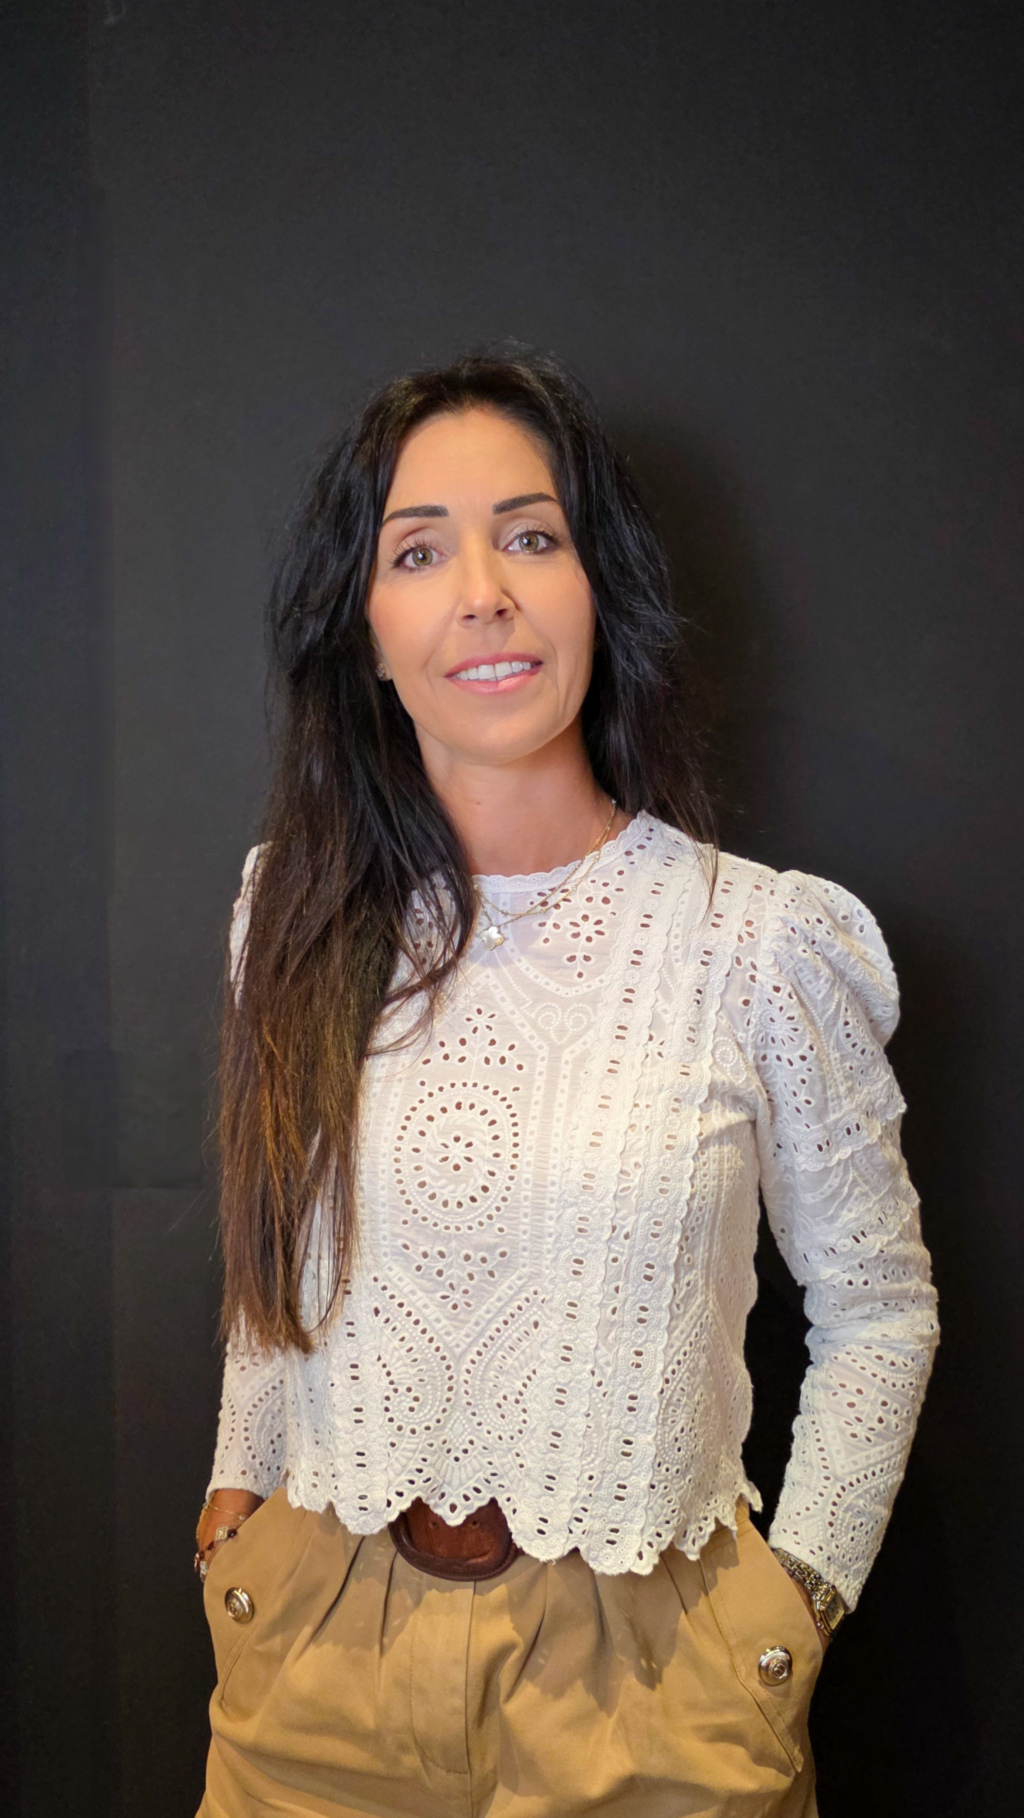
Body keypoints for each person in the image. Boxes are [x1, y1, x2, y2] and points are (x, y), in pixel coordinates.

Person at [193, 345, 938, 1818]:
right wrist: (236, 1498)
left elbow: (879, 1305)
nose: (484, 590)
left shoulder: (758, 941)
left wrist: (790, 1612)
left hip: (652, 1686)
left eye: (531, 536)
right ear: (368, 630)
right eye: (420, 551)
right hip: (318, 1663)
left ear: (602, 589)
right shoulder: (292, 915)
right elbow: (282, 1264)